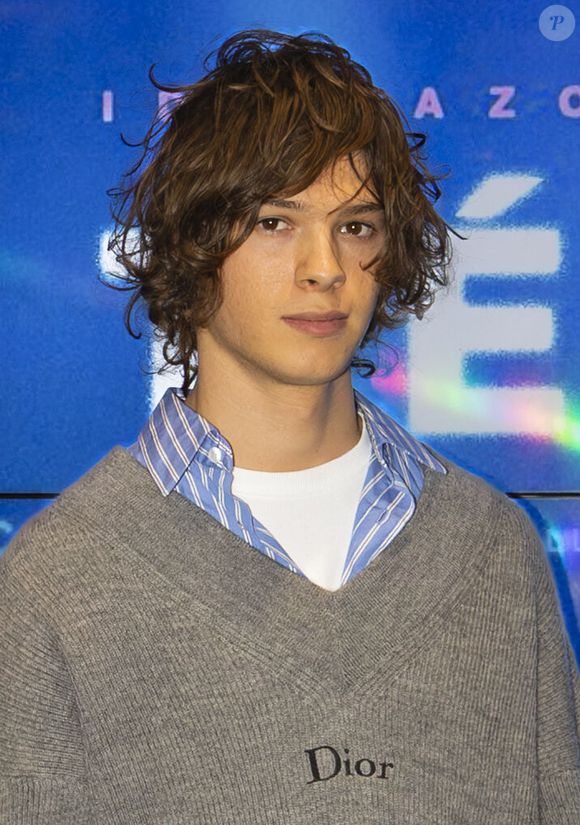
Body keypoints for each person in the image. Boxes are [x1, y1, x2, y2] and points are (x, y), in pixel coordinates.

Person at [1, 28, 578, 825]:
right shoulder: (56, 581)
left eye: (356, 226)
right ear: (193, 241)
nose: (325, 268)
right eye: (275, 221)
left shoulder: (494, 550)